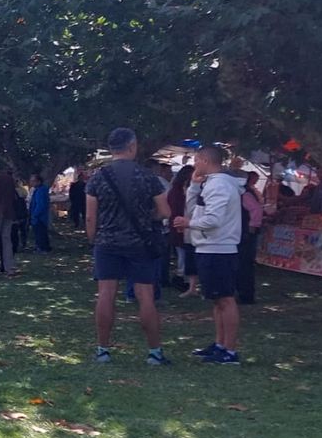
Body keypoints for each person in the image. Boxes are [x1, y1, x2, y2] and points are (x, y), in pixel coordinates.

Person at [86, 128, 172, 366]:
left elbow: (91, 217)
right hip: (140, 243)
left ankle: (103, 351)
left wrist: (93, 240)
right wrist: (149, 218)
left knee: (106, 294)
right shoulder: (147, 176)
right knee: (146, 297)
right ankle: (154, 353)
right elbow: (165, 211)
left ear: (111, 149)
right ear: (132, 146)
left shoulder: (97, 177)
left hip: (107, 242)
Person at [175, 146, 244, 365]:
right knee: (216, 299)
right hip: (208, 246)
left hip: (219, 248)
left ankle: (230, 351)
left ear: (205, 160)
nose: (194, 164)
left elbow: (213, 220)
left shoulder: (220, 185)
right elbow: (194, 210)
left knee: (225, 299)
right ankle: (220, 344)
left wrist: (189, 224)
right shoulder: (210, 183)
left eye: (196, 160)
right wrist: (194, 187)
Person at [167, 165, 201, 297]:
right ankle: (183, 279)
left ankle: (188, 282)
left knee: (186, 255)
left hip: (187, 227)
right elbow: (178, 210)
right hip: (183, 227)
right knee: (185, 255)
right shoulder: (178, 192)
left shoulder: (177, 191)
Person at [238, 172, 263, 305]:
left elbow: (256, 210)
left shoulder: (245, 194)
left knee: (245, 265)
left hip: (246, 233)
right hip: (241, 232)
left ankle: (246, 295)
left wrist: (253, 226)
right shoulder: (241, 193)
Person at [29, 175, 53, 253]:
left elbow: (40, 205)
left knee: (40, 232)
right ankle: (43, 247)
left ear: (39, 181)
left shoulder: (41, 191)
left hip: (40, 217)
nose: (31, 183)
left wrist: (35, 214)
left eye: (33, 181)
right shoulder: (38, 190)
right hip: (39, 216)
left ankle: (42, 248)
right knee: (40, 232)